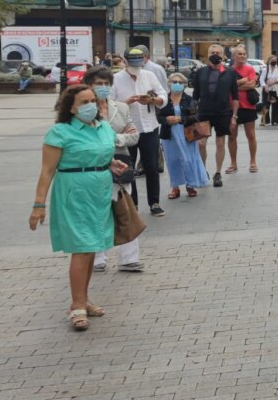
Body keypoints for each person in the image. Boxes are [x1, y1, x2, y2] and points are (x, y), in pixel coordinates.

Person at [29, 85, 128, 331]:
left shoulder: (103, 127)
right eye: (84, 102)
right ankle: (77, 306)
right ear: (71, 107)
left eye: (92, 100)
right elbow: (47, 171)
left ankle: (83, 299)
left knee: (92, 246)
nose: (90, 105)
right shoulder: (60, 132)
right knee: (82, 248)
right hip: (74, 192)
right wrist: (38, 204)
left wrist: (111, 163)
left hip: (100, 192)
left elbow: (102, 155)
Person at [83, 66, 143, 273]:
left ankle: (129, 258)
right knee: (97, 211)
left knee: (125, 210)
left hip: (121, 162)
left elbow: (134, 136)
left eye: (106, 83)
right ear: (89, 85)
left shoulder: (121, 107)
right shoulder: (83, 108)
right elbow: (82, 138)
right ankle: (97, 257)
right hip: (93, 165)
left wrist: (114, 138)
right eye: (98, 83)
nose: (103, 87)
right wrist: (114, 136)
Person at [110, 46, 167, 217]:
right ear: (125, 62)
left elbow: (163, 95)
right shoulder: (116, 79)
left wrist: (153, 100)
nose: (136, 70)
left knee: (152, 166)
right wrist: (125, 103)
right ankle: (132, 203)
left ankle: (154, 202)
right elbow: (110, 104)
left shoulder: (149, 75)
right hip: (127, 129)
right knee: (128, 167)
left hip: (149, 127)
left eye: (139, 65)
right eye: (132, 65)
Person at [189, 44, 239, 187]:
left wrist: (234, 116)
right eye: (212, 52)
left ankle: (218, 173)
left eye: (218, 52)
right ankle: (202, 171)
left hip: (223, 113)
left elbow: (235, 97)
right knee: (201, 143)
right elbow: (195, 96)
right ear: (208, 54)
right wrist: (193, 115)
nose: (215, 54)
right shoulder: (200, 72)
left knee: (220, 142)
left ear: (223, 56)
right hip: (204, 112)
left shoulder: (229, 73)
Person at [159, 71, 210, 200]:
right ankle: (175, 187)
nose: (177, 84)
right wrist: (166, 120)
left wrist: (180, 119)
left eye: (180, 82)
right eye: (174, 82)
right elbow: (158, 116)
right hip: (169, 135)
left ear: (185, 85)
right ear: (169, 84)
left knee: (189, 159)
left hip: (187, 135)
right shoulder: (164, 100)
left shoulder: (190, 100)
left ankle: (190, 185)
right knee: (172, 161)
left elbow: (195, 117)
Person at [226, 45, 260, 174]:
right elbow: (227, 87)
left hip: (248, 106)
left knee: (251, 135)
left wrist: (235, 85)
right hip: (232, 106)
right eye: (239, 54)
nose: (242, 56)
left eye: (244, 54)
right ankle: (233, 163)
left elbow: (252, 84)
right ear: (234, 56)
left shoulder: (250, 68)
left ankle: (253, 161)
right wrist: (242, 81)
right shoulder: (228, 70)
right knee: (232, 136)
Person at [261, 55, 278, 126]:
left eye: (275, 60)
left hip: (275, 90)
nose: (274, 62)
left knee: (275, 106)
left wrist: (273, 82)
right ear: (269, 61)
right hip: (267, 90)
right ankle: (265, 121)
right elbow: (261, 79)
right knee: (266, 105)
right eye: (272, 60)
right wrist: (265, 86)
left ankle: (275, 121)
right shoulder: (265, 69)